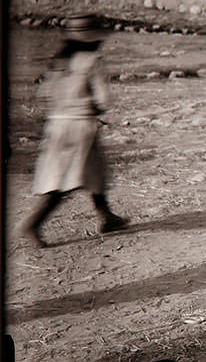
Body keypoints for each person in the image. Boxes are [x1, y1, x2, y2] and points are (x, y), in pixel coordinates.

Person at [15, 14, 128, 247]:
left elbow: (44, 94)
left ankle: (107, 216)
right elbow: (104, 100)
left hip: (56, 125)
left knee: (92, 172)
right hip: (81, 126)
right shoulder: (92, 61)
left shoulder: (59, 62)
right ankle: (33, 224)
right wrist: (93, 107)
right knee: (67, 179)